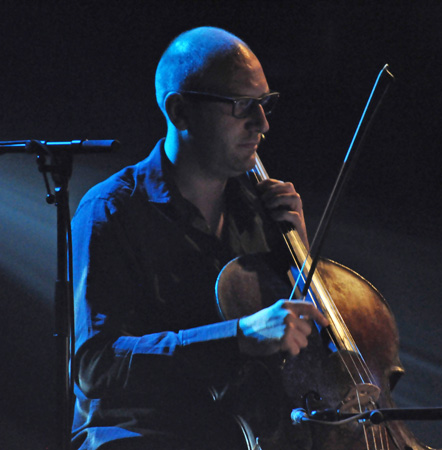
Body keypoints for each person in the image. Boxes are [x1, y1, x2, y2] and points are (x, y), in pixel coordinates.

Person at [71, 26, 329, 450]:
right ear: (180, 112)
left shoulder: (262, 213)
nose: (261, 124)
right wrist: (238, 337)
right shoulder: (111, 211)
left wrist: (299, 260)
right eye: (242, 105)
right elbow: (97, 365)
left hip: (244, 436)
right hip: (144, 437)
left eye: (265, 104)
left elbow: (302, 356)